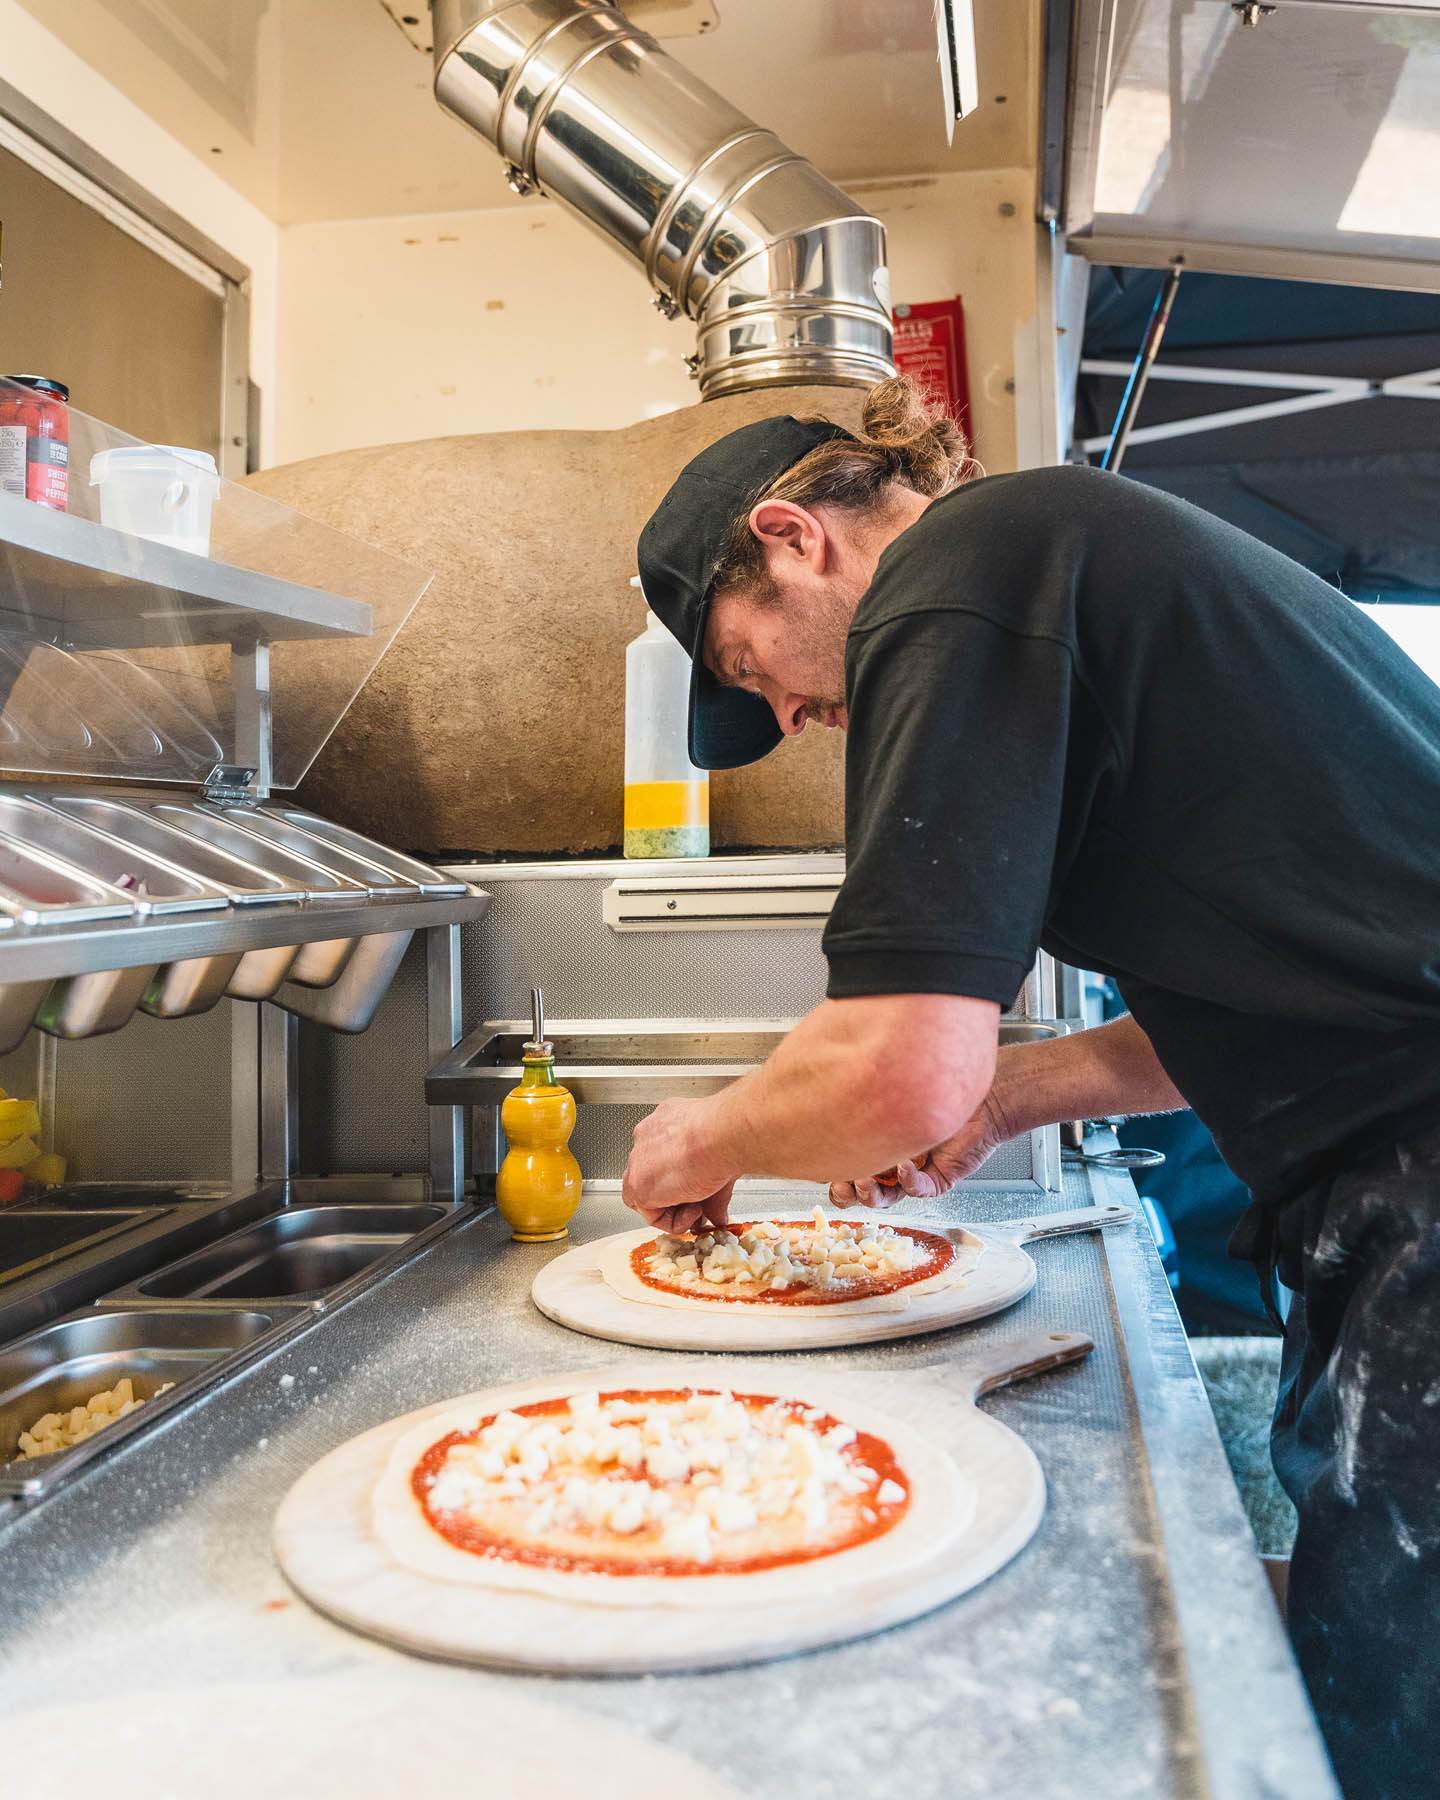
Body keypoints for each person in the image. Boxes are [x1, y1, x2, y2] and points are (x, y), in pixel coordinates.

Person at [618, 376, 1440, 1799]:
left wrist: (705, 1135)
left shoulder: (959, 575)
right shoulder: (1056, 558)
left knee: (1399, 1717)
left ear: (793, 537)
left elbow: (893, 1057)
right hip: (1398, 1167)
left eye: (752, 669)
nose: (794, 714)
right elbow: (1263, 1002)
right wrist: (1001, 1100)